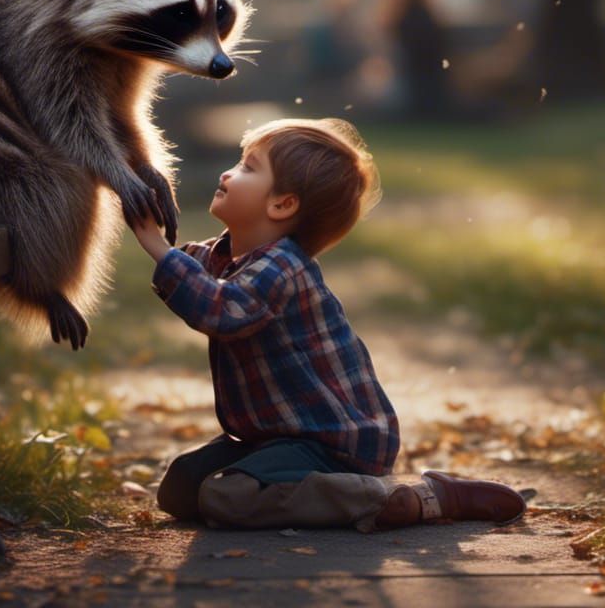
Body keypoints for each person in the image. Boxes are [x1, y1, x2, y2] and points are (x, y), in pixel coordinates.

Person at [131, 118, 526, 531]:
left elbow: (222, 310)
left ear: (282, 204)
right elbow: (193, 273)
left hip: (331, 442)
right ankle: (320, 494)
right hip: (275, 437)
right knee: (180, 487)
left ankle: (407, 497)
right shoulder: (225, 257)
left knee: (227, 496)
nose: (227, 173)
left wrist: (155, 246)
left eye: (248, 167)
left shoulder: (283, 266)